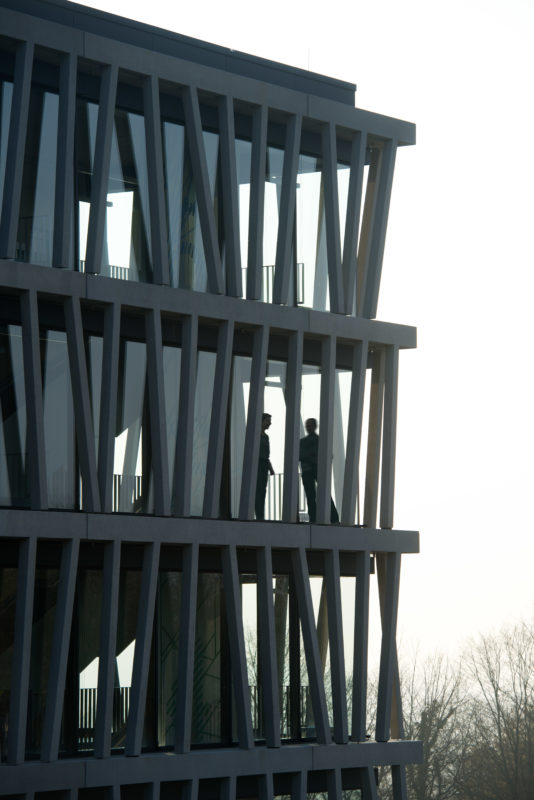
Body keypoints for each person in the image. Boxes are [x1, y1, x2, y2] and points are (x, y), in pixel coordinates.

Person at [299, 418, 339, 523]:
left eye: (310, 425)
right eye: (307, 425)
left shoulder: (305, 442)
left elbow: (301, 456)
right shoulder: (320, 441)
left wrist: (309, 457)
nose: (308, 427)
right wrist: (315, 458)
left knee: (312, 496)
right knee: (318, 495)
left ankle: (316, 518)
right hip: (315, 470)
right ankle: (333, 518)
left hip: (309, 470)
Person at [255, 413, 274, 520]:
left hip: (263, 466)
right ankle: (259, 515)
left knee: (262, 490)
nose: (270, 423)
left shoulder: (266, 437)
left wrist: (270, 468)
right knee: (257, 490)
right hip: (257, 465)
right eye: (268, 421)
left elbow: (266, 455)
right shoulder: (256, 435)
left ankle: (260, 515)